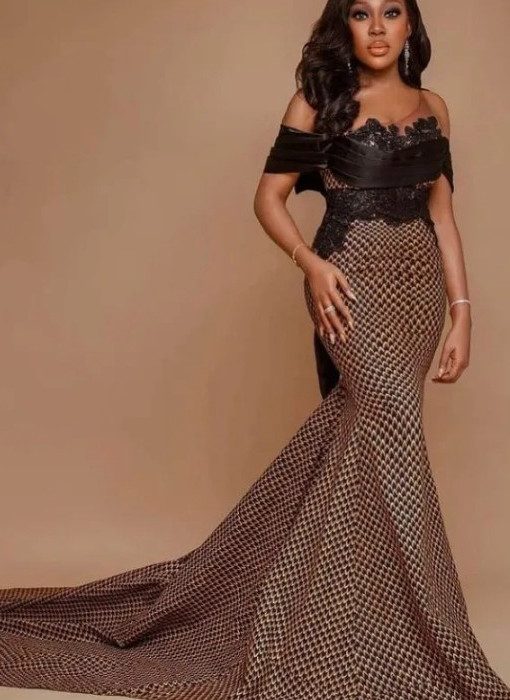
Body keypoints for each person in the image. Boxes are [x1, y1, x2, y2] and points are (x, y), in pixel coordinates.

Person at [0, 0, 509, 698]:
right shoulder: (318, 102)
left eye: (393, 12)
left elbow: (442, 216)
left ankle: (344, 611)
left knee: (361, 440)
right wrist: (311, 263)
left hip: (418, 292)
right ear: (343, 26)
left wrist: (462, 313)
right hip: (347, 283)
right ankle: (430, 627)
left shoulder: (434, 107)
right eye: (362, 13)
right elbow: (268, 199)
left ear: (412, 25)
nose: (379, 28)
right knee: (391, 426)